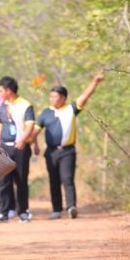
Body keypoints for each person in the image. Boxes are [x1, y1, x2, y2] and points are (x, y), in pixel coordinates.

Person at [33, 72, 105, 219]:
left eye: (55, 96)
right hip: (51, 152)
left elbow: (84, 96)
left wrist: (95, 82)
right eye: (51, 96)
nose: (52, 99)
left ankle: (71, 207)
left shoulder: (71, 109)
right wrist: (34, 144)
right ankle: (56, 210)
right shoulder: (45, 113)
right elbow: (35, 130)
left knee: (67, 178)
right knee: (54, 181)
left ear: (63, 98)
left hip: (67, 151)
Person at [0, 76, 36, 223]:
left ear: (9, 90)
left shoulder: (25, 105)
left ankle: (23, 212)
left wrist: (23, 140)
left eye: (1, 91)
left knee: (21, 180)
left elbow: (30, 125)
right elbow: (1, 125)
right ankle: (3, 212)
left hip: (20, 147)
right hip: (5, 146)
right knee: (3, 180)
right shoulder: (3, 105)